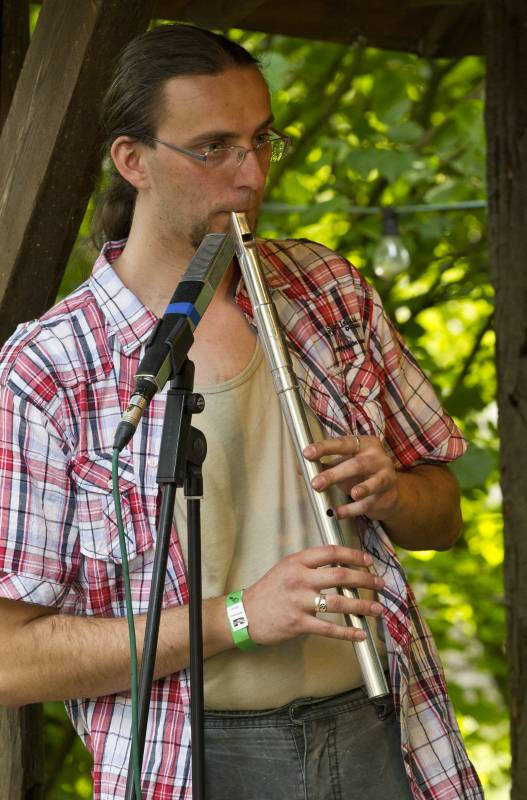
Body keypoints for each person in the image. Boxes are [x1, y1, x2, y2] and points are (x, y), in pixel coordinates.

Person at [0, 23, 482, 800]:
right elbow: (10, 661)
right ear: (133, 161)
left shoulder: (327, 291)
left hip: (380, 725)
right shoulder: (49, 368)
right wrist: (240, 615)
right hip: (193, 756)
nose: (250, 173)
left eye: (261, 140)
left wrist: (394, 491)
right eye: (213, 148)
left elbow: (444, 516)